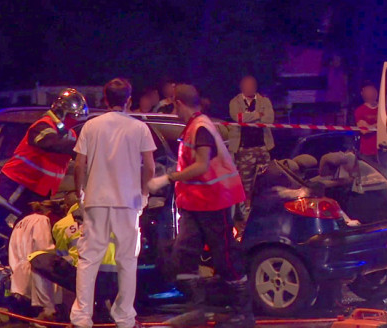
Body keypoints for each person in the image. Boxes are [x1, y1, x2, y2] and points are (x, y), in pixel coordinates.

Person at [148, 84, 253, 328]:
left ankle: (242, 313)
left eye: (174, 106)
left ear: (179, 103)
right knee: (184, 253)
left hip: (213, 201)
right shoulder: (196, 126)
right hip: (196, 203)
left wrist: (168, 178)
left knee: (225, 255)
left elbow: (202, 166)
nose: (173, 112)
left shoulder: (201, 128)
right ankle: (196, 309)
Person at [70, 78, 156, 328]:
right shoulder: (139, 128)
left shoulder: (91, 126)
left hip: (96, 199)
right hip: (128, 202)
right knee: (127, 260)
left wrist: (80, 193)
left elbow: (79, 164)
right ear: (129, 100)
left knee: (88, 259)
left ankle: (82, 316)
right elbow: (149, 166)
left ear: (105, 100)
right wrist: (143, 194)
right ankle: (125, 317)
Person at [0, 89, 86, 259]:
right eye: (74, 116)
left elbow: (75, 157)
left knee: (20, 233)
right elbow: (49, 143)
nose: (75, 121)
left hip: (36, 191)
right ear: (63, 112)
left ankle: (0, 266)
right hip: (15, 187)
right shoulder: (43, 126)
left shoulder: (69, 134)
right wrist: (80, 146)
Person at [28, 199, 118, 323]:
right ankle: (103, 308)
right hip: (116, 280)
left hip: (87, 280)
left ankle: (52, 310)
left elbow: (62, 255)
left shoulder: (62, 225)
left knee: (38, 258)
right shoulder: (114, 217)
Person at [9, 200, 68, 321]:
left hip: (18, 271)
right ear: (50, 213)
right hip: (36, 274)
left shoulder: (21, 221)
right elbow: (43, 249)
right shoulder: (42, 220)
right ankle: (48, 314)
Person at [228, 75, 274, 216]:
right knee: (244, 183)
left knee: (265, 180)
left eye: (252, 85)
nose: (250, 88)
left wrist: (251, 116)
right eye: (247, 85)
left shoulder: (264, 101)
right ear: (242, 87)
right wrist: (258, 114)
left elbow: (269, 118)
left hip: (262, 147)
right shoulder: (235, 102)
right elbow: (238, 117)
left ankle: (264, 209)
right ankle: (245, 213)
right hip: (244, 149)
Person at [354, 81, 379, 157]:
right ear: (362, 93)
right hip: (368, 152)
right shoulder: (360, 110)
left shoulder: (384, 109)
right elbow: (364, 130)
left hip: (384, 150)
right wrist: (380, 124)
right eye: (368, 90)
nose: (370, 93)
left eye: (372, 90)